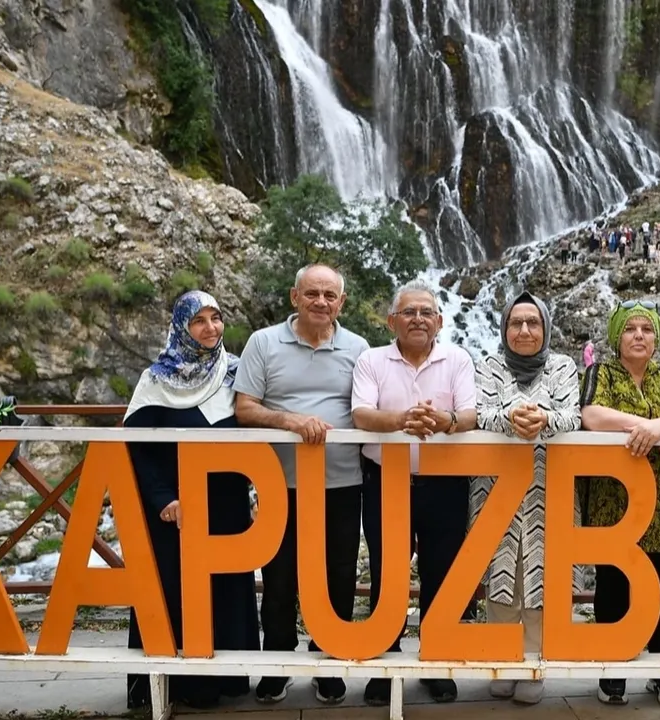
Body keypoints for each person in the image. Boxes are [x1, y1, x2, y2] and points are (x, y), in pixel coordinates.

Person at [233, 264, 370, 705]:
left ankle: (329, 660)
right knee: (278, 576)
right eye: (312, 293)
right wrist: (289, 421)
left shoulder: (359, 348)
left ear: (341, 303)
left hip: (343, 482)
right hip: (280, 484)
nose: (321, 302)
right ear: (295, 297)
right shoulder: (263, 342)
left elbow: (369, 407)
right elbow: (245, 408)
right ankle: (278, 663)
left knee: (340, 574)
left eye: (330, 295)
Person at [123, 291, 258, 710]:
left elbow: (255, 434)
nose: (210, 328)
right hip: (176, 511)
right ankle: (178, 685)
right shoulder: (156, 379)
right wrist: (163, 498)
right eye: (198, 320)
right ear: (182, 327)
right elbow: (137, 448)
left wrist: (258, 488)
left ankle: (227, 679)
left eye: (216, 318)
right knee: (173, 589)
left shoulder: (236, 372)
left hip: (228, 507)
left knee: (225, 588)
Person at [350, 280, 478, 705]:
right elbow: (361, 414)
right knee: (387, 572)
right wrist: (403, 420)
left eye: (426, 312)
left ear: (439, 320)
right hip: (386, 480)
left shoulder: (458, 358)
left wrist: (445, 421)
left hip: (445, 484)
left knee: (441, 574)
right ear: (392, 321)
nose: (418, 319)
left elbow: (470, 414)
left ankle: (436, 662)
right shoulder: (371, 360)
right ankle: (385, 662)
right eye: (408, 312)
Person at [580, 300, 660, 708]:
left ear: (656, 337)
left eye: (647, 329)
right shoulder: (601, 373)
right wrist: (641, 426)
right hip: (614, 502)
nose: (639, 335)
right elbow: (591, 415)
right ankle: (613, 666)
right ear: (616, 336)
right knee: (613, 585)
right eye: (630, 328)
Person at [474, 291, 582, 704]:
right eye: (515, 323)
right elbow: (478, 413)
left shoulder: (563, 366)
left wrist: (545, 419)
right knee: (500, 572)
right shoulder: (488, 366)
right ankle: (502, 660)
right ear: (504, 329)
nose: (523, 330)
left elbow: (573, 416)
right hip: (495, 488)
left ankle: (535, 665)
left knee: (542, 575)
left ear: (546, 328)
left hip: (547, 488)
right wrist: (508, 418)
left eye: (532, 323)